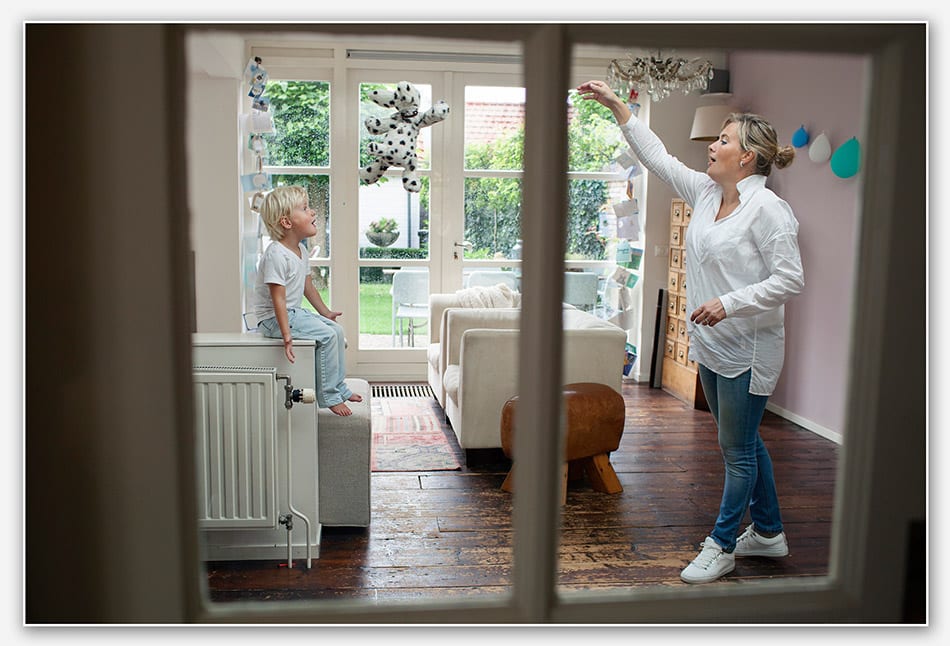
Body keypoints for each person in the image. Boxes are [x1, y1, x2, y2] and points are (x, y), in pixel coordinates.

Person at [577, 80, 805, 584]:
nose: (713, 146)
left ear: (747, 158)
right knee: (743, 440)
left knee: (737, 449)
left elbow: (790, 278)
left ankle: (722, 543)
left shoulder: (769, 211)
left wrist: (728, 303)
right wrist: (619, 107)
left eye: (723, 139)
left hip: (750, 346)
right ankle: (768, 533)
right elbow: (657, 158)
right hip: (714, 344)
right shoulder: (705, 193)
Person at [251, 185, 362, 416]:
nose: (312, 212)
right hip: (273, 318)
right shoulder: (276, 254)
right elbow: (278, 298)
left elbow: (307, 285)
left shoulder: (300, 250)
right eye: (305, 208)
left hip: (292, 313)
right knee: (328, 336)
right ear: (287, 223)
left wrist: (326, 312)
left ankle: (340, 388)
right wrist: (286, 335)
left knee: (337, 332)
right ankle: (329, 395)